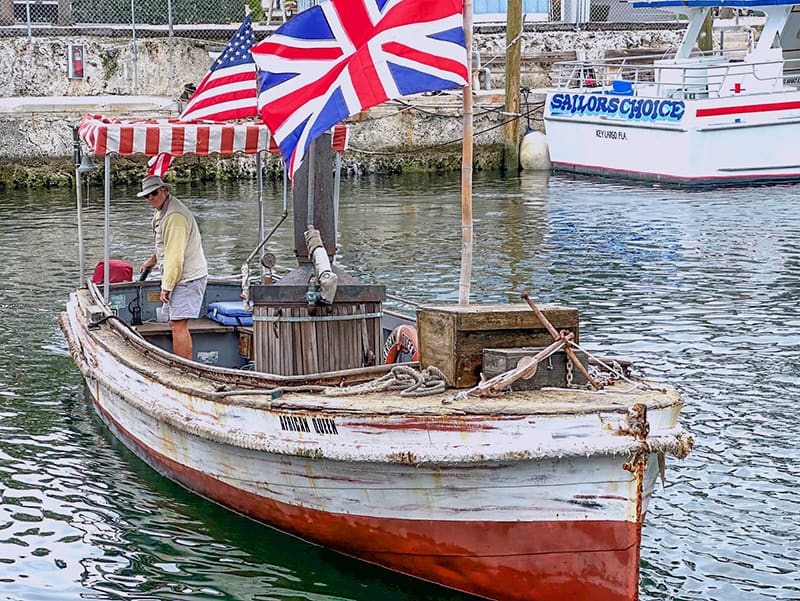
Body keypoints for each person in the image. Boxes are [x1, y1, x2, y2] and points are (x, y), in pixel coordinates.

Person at [137, 175, 208, 360]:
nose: (150, 199)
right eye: (147, 196)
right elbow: (166, 245)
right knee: (175, 323)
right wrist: (152, 260)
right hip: (181, 276)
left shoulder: (174, 217)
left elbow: (175, 257)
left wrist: (166, 287)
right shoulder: (163, 211)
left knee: (178, 326)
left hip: (187, 278)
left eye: (153, 193)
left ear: (165, 191)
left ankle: (184, 370)